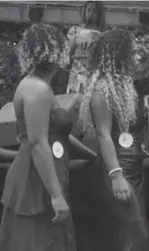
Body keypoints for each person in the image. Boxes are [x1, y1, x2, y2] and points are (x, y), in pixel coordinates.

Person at [0, 23, 75, 251]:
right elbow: (37, 143)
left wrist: (91, 155)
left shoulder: (42, 86)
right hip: (36, 179)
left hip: (47, 172)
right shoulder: (36, 89)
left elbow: (56, 135)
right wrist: (55, 195)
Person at [78, 29, 149, 251]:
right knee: (135, 230)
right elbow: (103, 135)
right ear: (120, 55)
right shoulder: (101, 88)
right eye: (133, 52)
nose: (138, 58)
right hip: (118, 167)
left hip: (132, 167)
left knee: (133, 231)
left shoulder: (124, 86)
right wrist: (116, 176)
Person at [66, 1, 106, 94]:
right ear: (84, 12)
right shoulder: (75, 30)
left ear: (99, 14)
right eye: (88, 10)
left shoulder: (104, 35)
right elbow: (67, 53)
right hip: (76, 75)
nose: (91, 13)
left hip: (94, 76)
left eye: (94, 10)